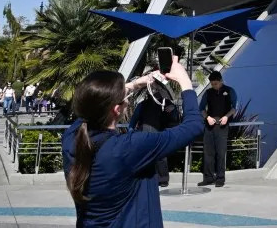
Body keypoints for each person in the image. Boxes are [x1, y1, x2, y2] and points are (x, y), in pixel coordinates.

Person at [63, 57, 202, 228]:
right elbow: (193, 126)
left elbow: (90, 108)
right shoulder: (129, 147)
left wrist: (136, 84)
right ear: (117, 109)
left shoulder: (71, 138)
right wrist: (184, 81)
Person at [128, 82, 179, 188]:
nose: (155, 92)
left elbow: (174, 118)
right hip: (146, 133)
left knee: (160, 157)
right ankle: (150, 178)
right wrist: (131, 130)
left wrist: (172, 110)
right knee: (148, 157)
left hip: (160, 133)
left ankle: (163, 179)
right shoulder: (143, 104)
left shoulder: (167, 103)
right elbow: (134, 118)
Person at [197, 71, 238, 188]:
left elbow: (234, 107)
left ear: (221, 81)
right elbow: (201, 108)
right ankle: (208, 178)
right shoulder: (208, 93)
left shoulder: (229, 91)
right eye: (212, 84)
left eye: (216, 83)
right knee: (208, 153)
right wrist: (207, 118)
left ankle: (220, 178)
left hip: (222, 126)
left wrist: (226, 117)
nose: (214, 86)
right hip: (209, 126)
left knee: (220, 152)